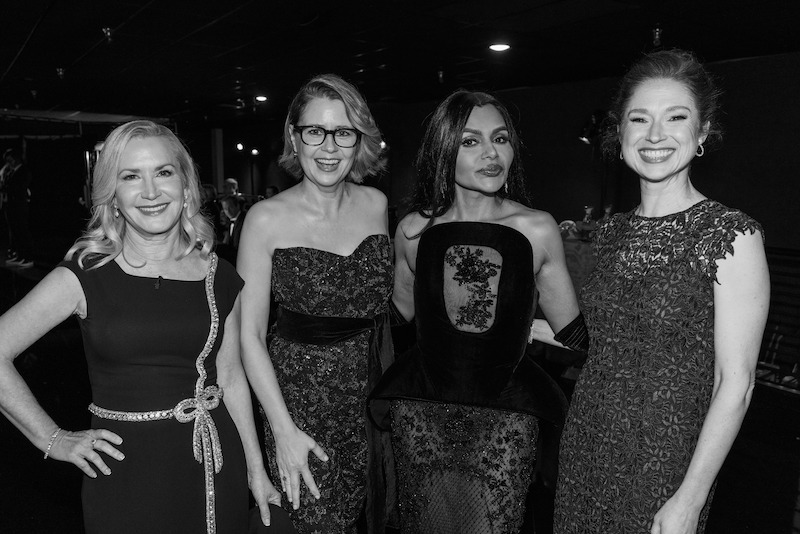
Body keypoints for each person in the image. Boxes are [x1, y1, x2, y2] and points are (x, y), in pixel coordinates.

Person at [0, 121, 292, 533]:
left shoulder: (219, 274)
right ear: (112, 195)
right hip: (126, 476)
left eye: (164, 172)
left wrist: (256, 472)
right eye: (131, 176)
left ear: (186, 186)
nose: (151, 191)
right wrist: (52, 438)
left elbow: (229, 378)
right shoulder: (86, 274)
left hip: (215, 465)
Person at [552, 49, 769, 534]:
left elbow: (736, 382)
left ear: (702, 131)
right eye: (639, 118)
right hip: (586, 444)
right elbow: (609, 342)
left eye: (676, 117)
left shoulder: (730, 234)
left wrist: (690, 499)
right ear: (620, 132)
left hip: (665, 463)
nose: (654, 134)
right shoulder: (610, 232)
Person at [368, 89, 586, 533]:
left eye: (500, 139)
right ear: (444, 150)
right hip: (422, 412)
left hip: (505, 417)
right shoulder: (413, 230)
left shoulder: (536, 228)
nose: (491, 153)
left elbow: (573, 334)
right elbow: (396, 316)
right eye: (471, 141)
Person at [237, 74, 393, 534]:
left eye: (343, 132)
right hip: (299, 406)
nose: (329, 147)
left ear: (359, 139)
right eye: (315, 131)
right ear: (294, 136)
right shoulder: (265, 219)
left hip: (370, 398)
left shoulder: (377, 204)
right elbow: (249, 336)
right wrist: (282, 430)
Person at [2, 148, 34, 268]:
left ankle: (27, 257)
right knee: (15, 232)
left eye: (10, 160)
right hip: (12, 206)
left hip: (19, 206)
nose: (9, 163)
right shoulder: (11, 172)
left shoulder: (23, 171)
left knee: (22, 231)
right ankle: (20, 255)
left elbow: (19, 188)